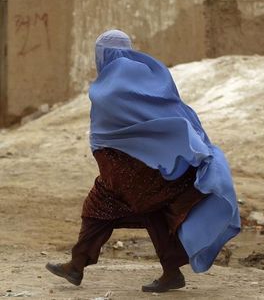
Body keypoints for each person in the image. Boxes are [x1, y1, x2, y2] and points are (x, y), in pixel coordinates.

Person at [46, 30, 240, 292]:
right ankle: (78, 265)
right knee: (114, 207)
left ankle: (82, 264)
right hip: (141, 168)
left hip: (128, 169)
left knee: (126, 207)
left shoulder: (107, 88)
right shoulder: (149, 76)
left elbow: (109, 128)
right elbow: (175, 111)